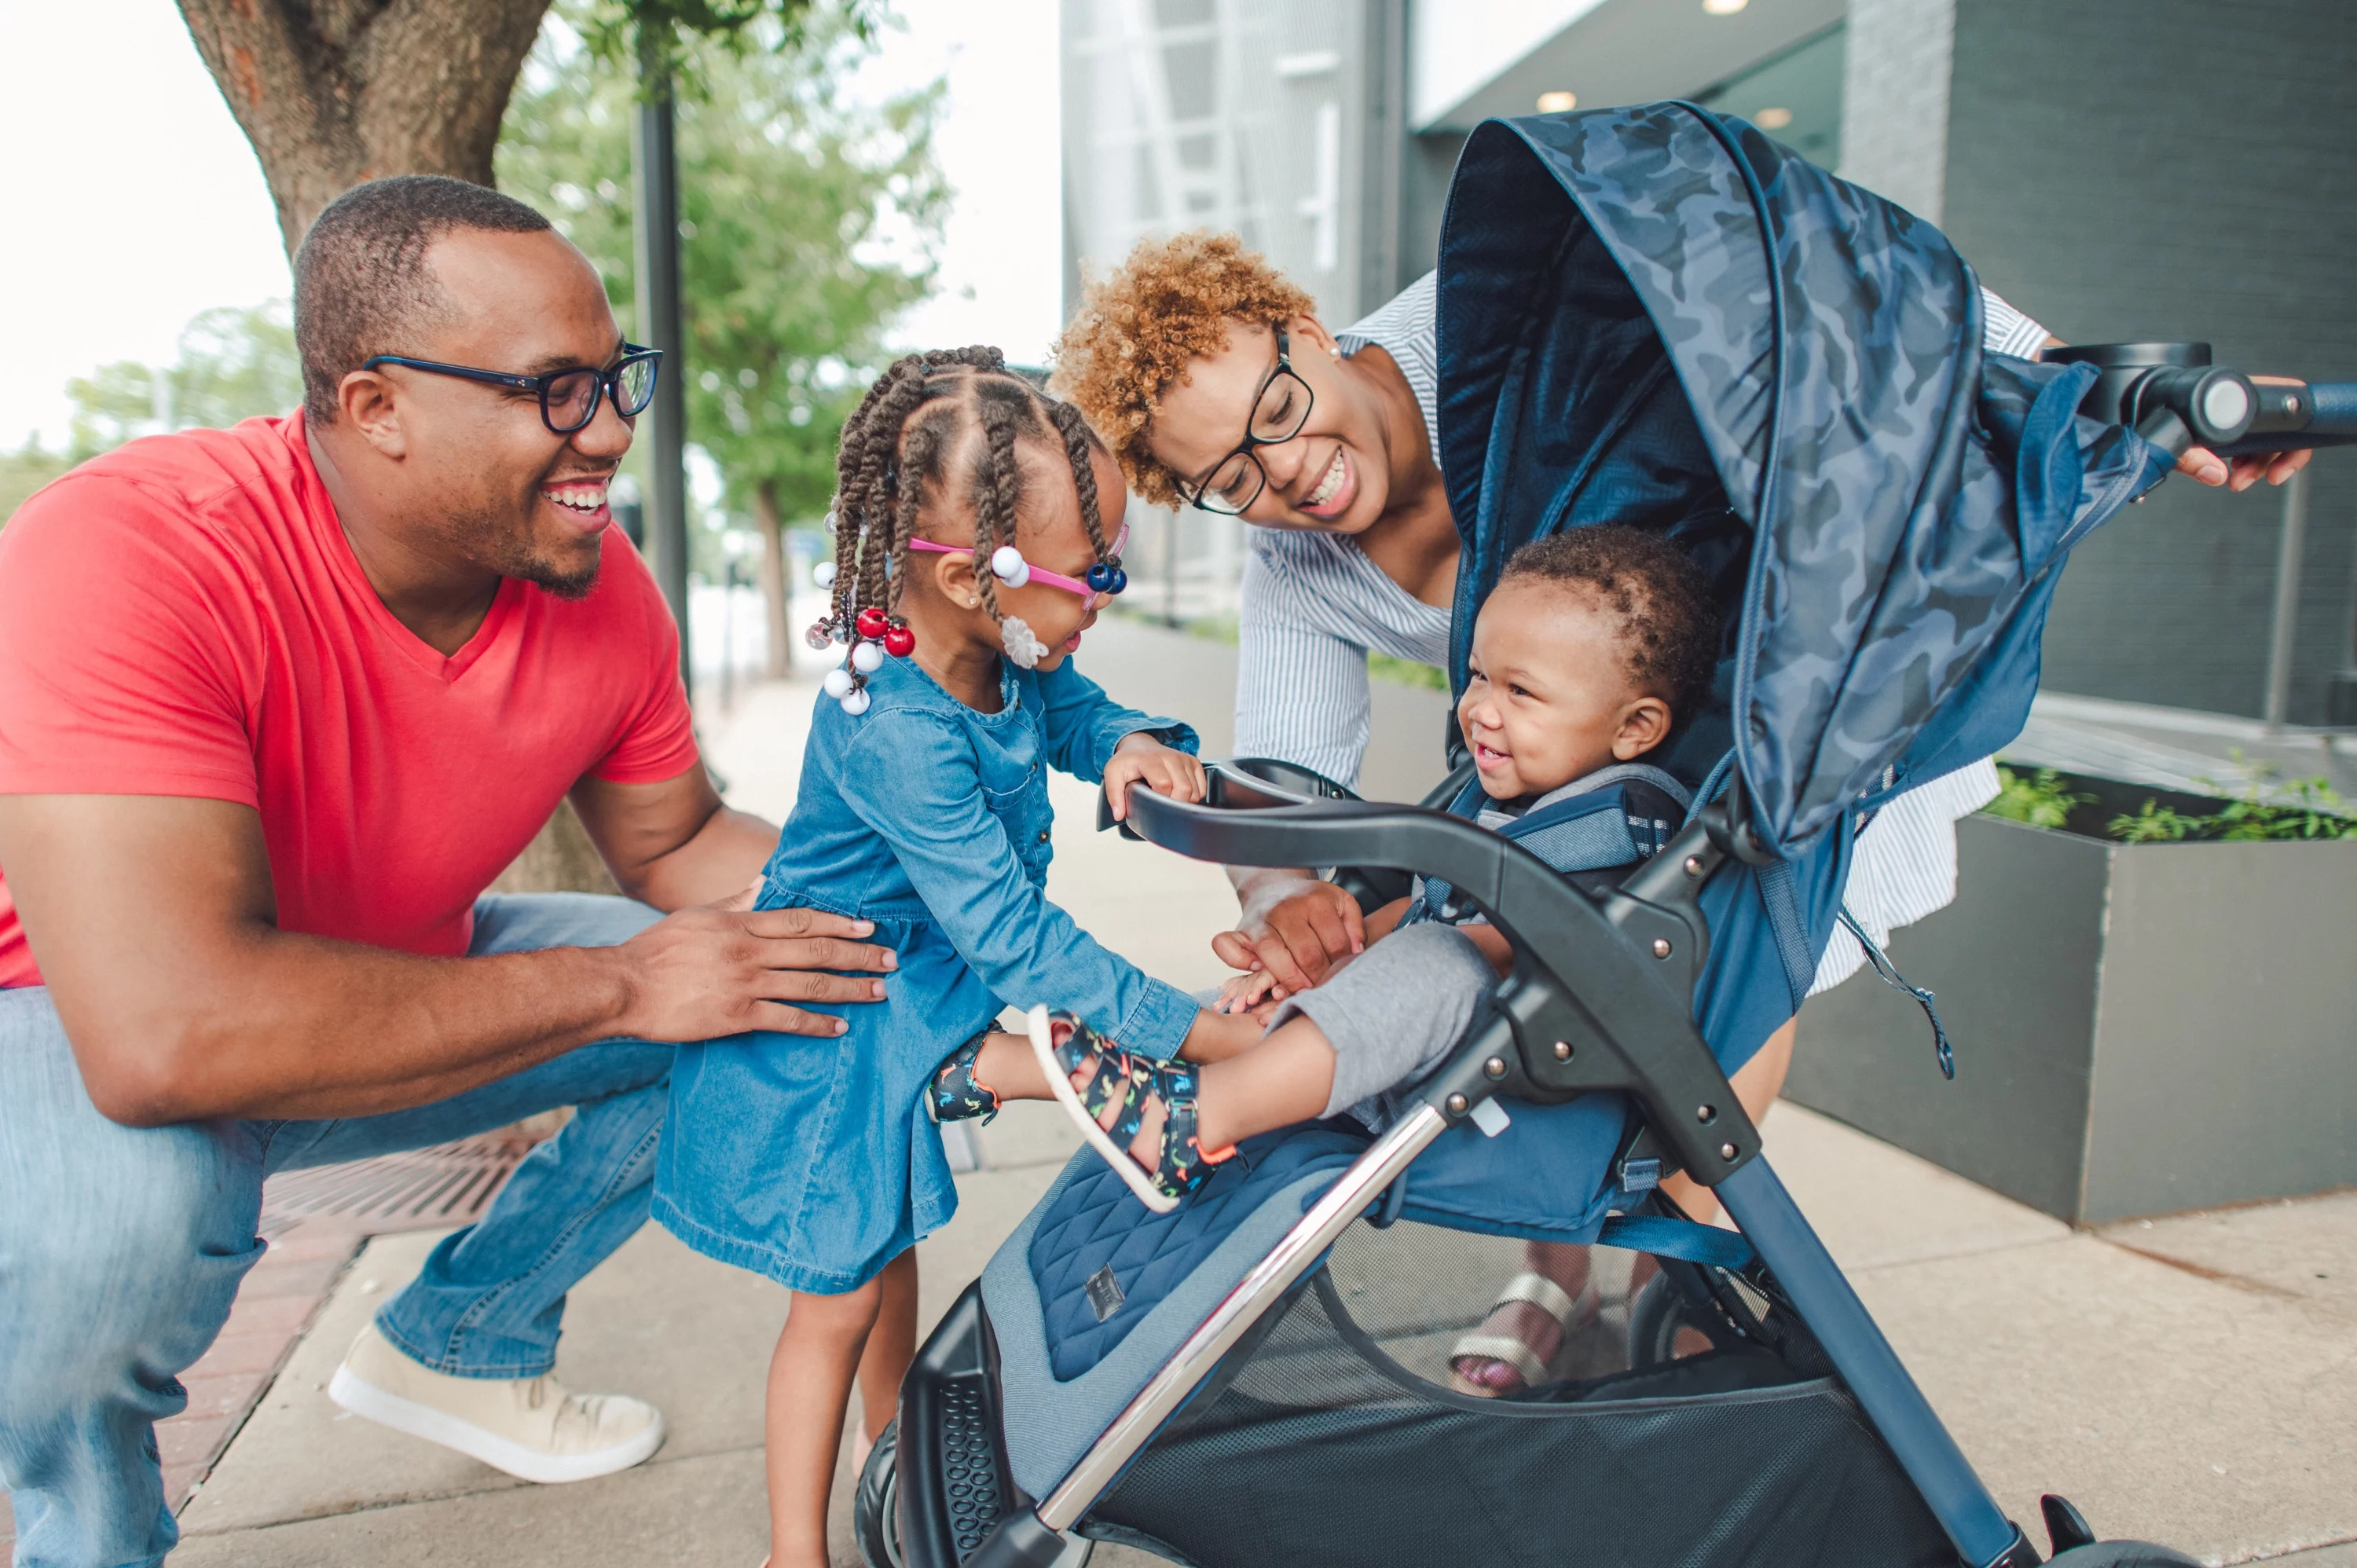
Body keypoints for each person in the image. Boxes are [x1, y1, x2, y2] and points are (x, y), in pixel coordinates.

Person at [1050, 228, 2314, 1391]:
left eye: (1280, 408)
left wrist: (2098, 401)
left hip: (1735, 719)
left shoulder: (1507, 318)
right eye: (1229, 474)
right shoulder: (1293, 559)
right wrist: (1291, 904)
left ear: (1308, 329)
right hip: (1543, 782)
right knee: (1526, 976)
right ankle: (1556, 1267)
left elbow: (1820, 274)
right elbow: (1288, 777)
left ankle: (1679, 1277)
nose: (1288, 470)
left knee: (1718, 956)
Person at [0, 176, 897, 1568]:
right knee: (128, 1227)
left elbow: (676, 847)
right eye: (554, 389)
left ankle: (464, 1335)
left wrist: (952, 926)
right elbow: (167, 1032)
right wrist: (615, 988)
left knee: (791, 991)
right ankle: (88, 1541)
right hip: (67, 1012)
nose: (609, 430)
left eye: (616, 380)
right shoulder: (127, 552)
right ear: (377, 408)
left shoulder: (596, 584)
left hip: (391, 966)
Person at [651, 348, 1210, 1568]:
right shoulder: (894, 721)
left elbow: (1075, 710)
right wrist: (1194, 1024)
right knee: (841, 1295)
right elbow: (1014, 937)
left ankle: (890, 1458)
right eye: (1095, 570)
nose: (1106, 594)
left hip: (917, 990)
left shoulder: (1004, 654)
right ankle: (793, 1554)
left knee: (893, 1256)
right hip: (838, 1021)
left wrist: (1128, 743)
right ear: (971, 576)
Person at [954, 526, 1715, 1221]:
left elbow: (1508, 944)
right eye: (1478, 677)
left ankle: (1192, 1123)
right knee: (1237, 1007)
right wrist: (1328, 964)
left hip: (1515, 1085)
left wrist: (1361, 973)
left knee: (1434, 963)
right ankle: (996, 1069)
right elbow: (1429, 909)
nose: (1480, 710)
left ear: (1635, 726)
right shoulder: (1515, 797)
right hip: (1413, 1043)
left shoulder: (1623, 824)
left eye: (1521, 692)